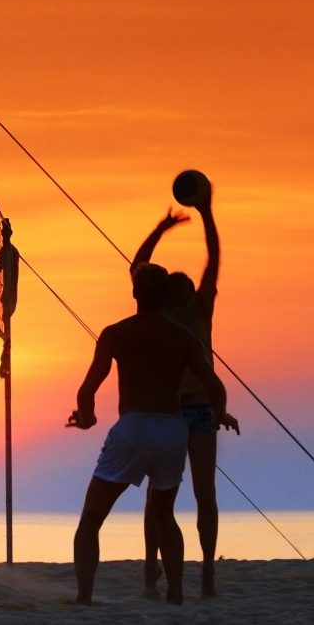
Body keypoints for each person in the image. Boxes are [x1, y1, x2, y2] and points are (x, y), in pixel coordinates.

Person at [69, 263, 228, 606]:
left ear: (134, 294)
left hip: (135, 425)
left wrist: (87, 417)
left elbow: (87, 390)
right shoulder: (184, 337)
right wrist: (221, 413)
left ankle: (84, 597)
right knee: (163, 515)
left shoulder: (116, 333)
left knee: (91, 518)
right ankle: (175, 594)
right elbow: (215, 385)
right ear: (166, 298)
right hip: (172, 429)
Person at [132, 191, 239, 598]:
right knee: (166, 498)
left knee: (191, 494)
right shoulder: (163, 313)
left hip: (193, 412)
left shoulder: (195, 310)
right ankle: (153, 568)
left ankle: (203, 570)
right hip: (172, 413)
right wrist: (169, 224)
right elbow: (140, 267)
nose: (191, 285)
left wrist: (202, 214)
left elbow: (212, 260)